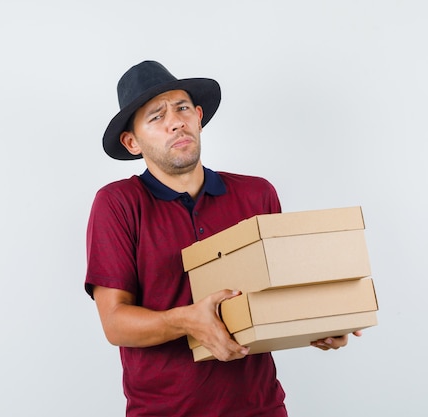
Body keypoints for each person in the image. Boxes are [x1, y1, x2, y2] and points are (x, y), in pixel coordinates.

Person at [84, 60, 358, 417]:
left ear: (198, 116)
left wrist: (321, 323)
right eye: (156, 117)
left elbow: (281, 295)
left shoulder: (256, 194)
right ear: (132, 142)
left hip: (260, 408)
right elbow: (115, 322)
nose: (175, 121)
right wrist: (186, 320)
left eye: (182, 108)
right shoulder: (118, 204)